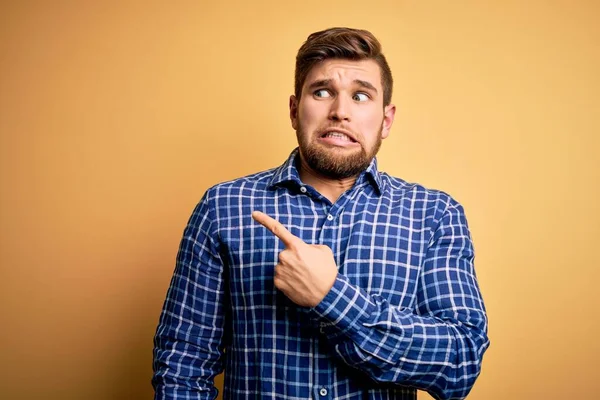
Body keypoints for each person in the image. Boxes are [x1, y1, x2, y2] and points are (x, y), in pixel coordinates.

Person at [152, 27, 489, 400]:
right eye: (322, 91)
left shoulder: (434, 215)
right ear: (295, 111)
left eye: (361, 96)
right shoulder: (223, 208)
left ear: (386, 120)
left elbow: (460, 363)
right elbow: (183, 365)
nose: (340, 112)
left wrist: (331, 297)